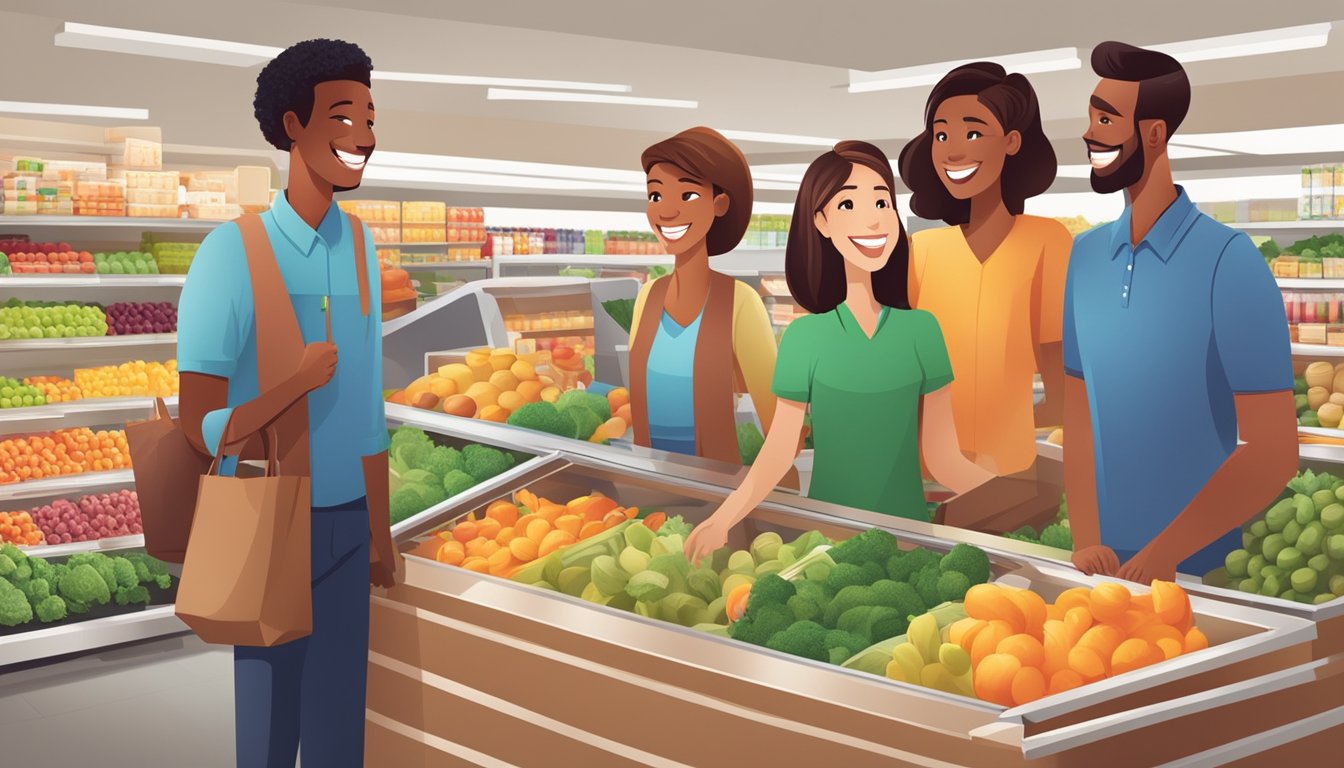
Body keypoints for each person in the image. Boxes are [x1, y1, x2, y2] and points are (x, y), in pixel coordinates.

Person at [177, 39, 400, 767]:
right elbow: (199, 424)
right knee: (269, 732)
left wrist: (381, 529)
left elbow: (368, 407)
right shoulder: (229, 253)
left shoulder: (362, 246)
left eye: (369, 115)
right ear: (291, 125)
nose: (364, 135)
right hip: (267, 522)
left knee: (340, 734)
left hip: (344, 527)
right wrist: (293, 385)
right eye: (343, 115)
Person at [686, 142, 993, 561]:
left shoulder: (921, 331)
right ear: (821, 222)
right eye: (848, 204)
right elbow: (780, 450)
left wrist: (1012, 498)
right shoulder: (804, 337)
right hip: (827, 546)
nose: (872, 219)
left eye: (881, 201)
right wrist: (723, 518)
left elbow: (942, 458)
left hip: (908, 542)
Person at [1064, 42, 1297, 583]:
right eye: (1091, 115)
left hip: (1202, 574)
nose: (1089, 132)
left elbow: (1273, 449)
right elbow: (1079, 417)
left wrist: (1166, 552)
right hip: (1101, 572)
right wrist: (1085, 540)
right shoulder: (1086, 257)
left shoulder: (1228, 260)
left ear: (1154, 132)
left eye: (1106, 117)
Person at [898, 63, 1069, 478]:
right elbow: (901, 377)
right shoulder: (920, 251)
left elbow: (1062, 392)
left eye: (973, 133)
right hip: (922, 474)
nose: (953, 151)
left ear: (1012, 142)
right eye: (941, 135)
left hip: (1006, 473)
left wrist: (1007, 429)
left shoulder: (1046, 242)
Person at [628, 127, 777, 464]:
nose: (666, 212)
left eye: (688, 196)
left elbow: (780, 425)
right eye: (655, 196)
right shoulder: (647, 297)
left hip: (717, 493)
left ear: (720, 204)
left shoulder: (740, 302)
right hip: (649, 487)